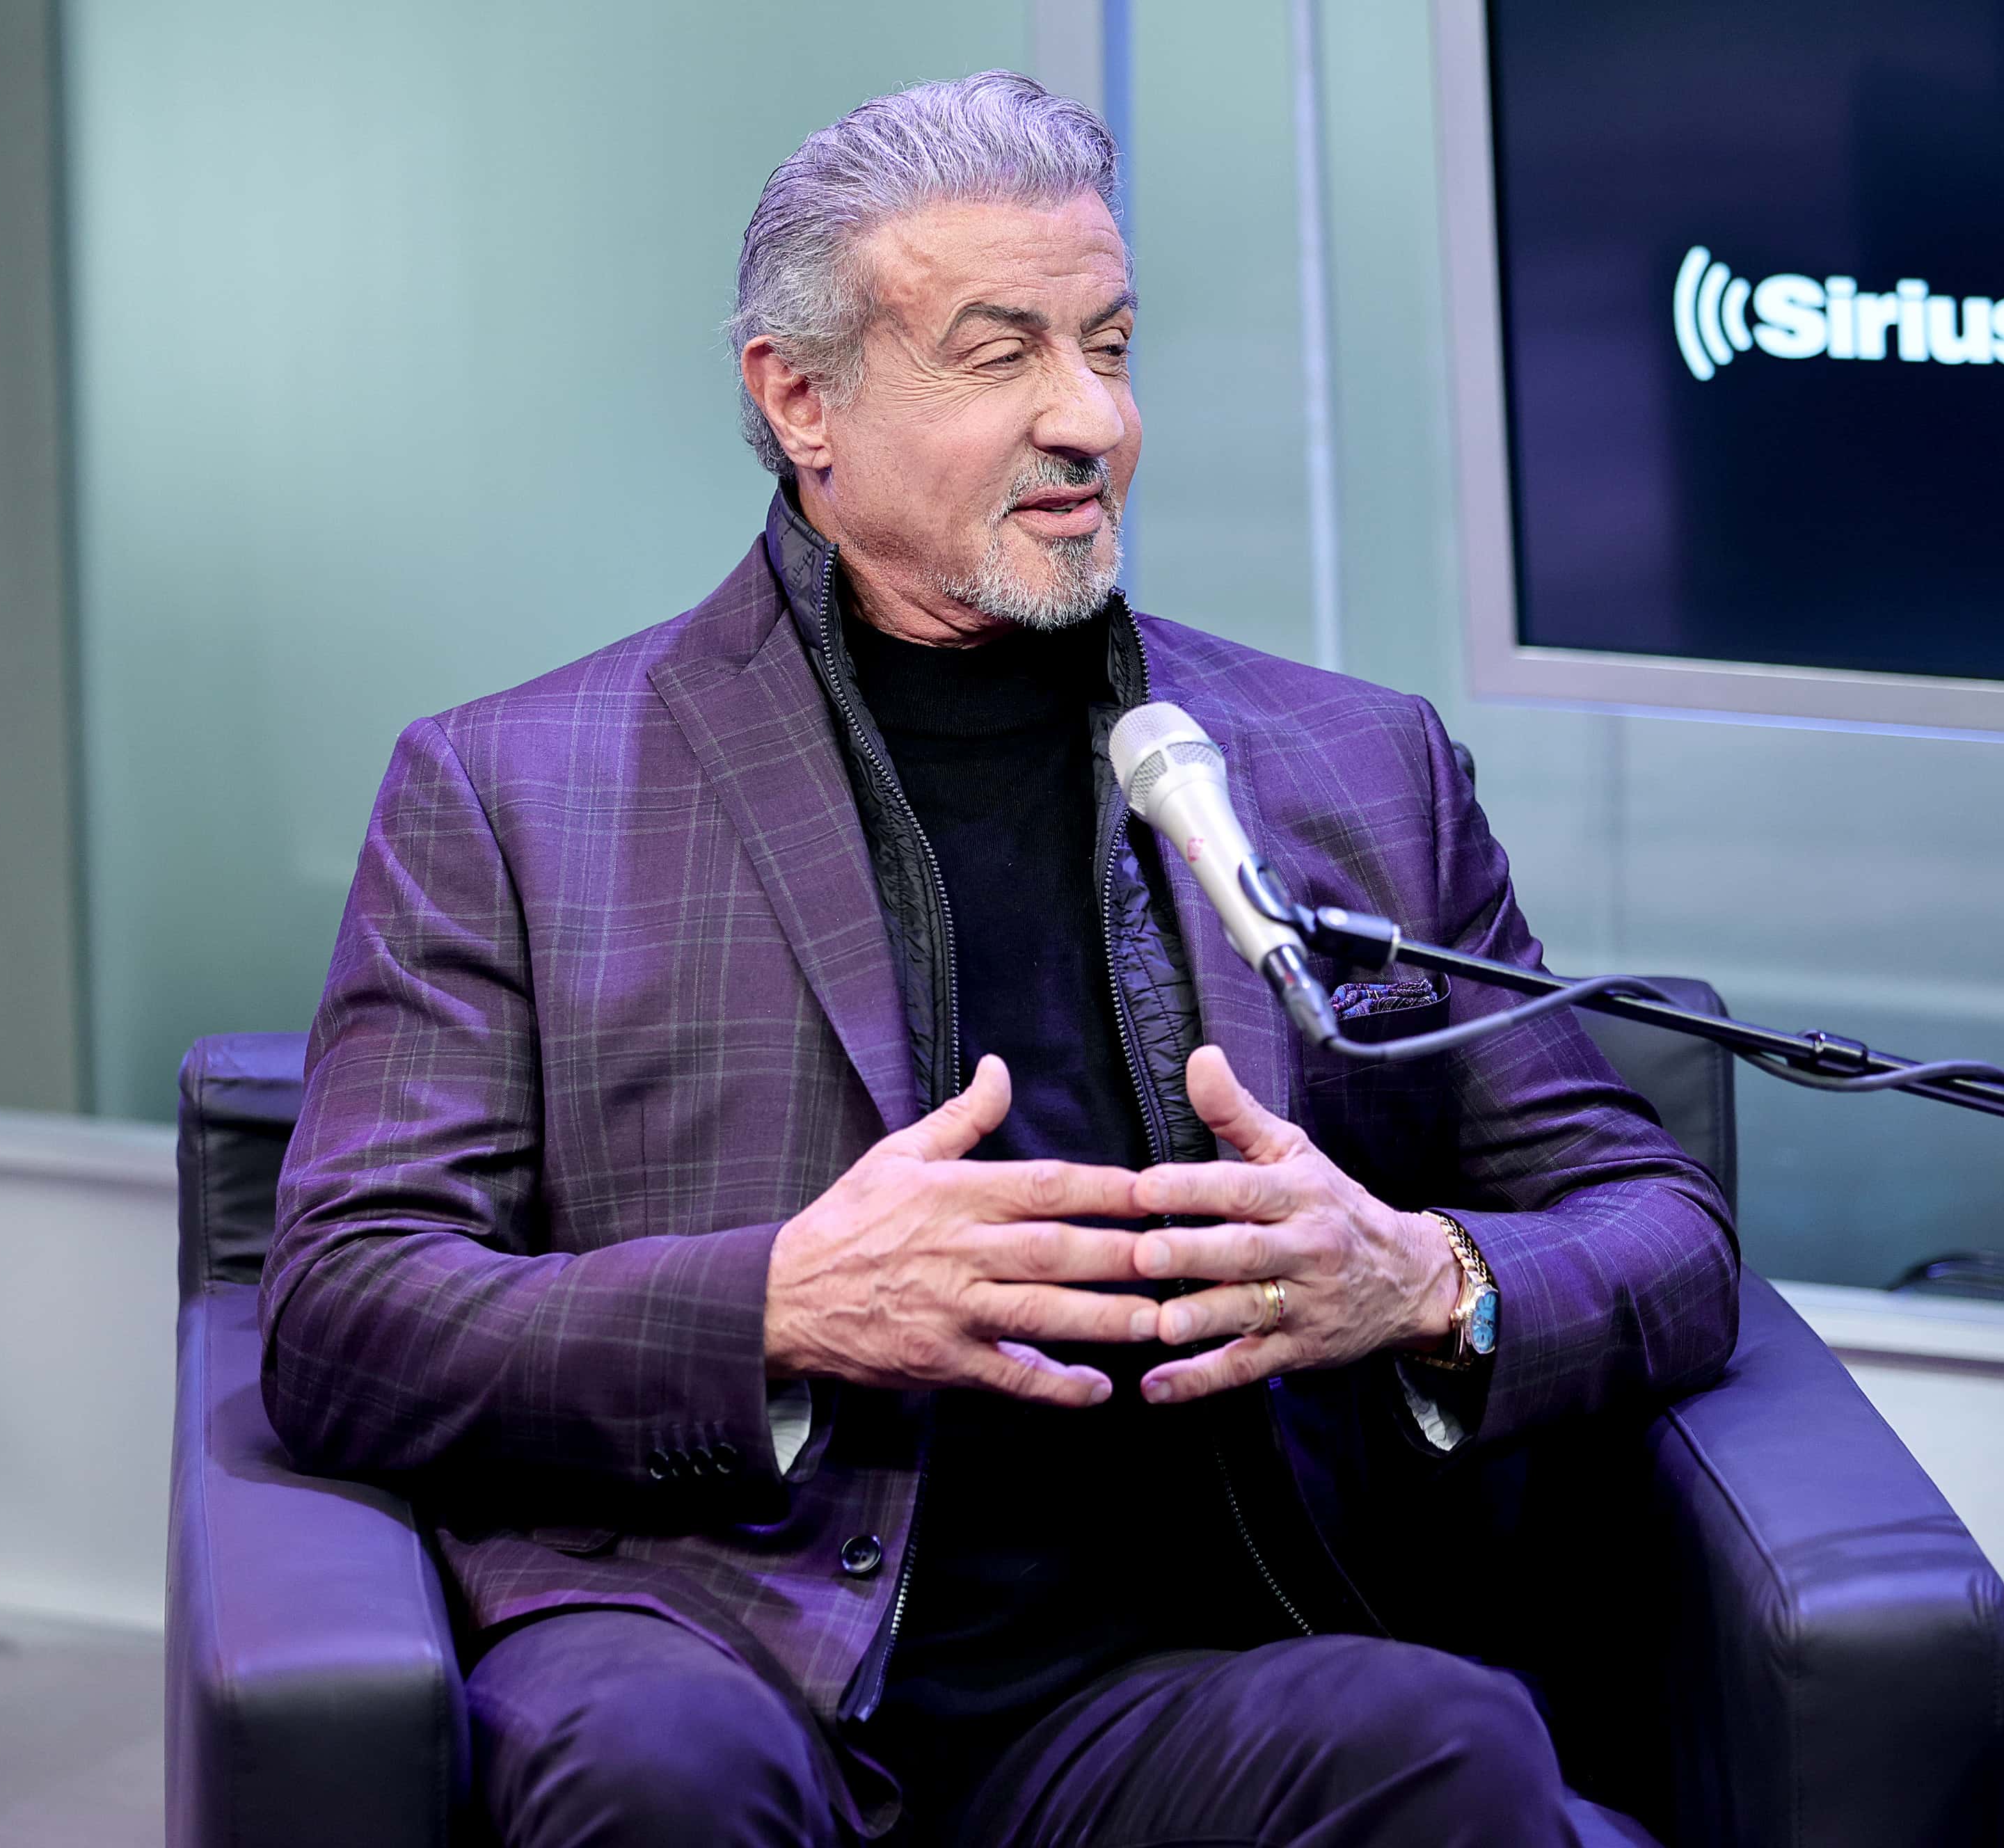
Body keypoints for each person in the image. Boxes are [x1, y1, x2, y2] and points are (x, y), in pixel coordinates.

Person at [262, 72, 1737, 1848]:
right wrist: (778, 1304)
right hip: (708, 1640)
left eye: (1113, 345)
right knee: (657, 1773)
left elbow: (1653, 1225)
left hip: (1175, 1672)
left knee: (1437, 1739)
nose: (1090, 417)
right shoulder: (514, 790)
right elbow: (347, 1312)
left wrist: (1420, 1278)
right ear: (798, 398)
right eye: (1002, 352)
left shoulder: (1349, 767)